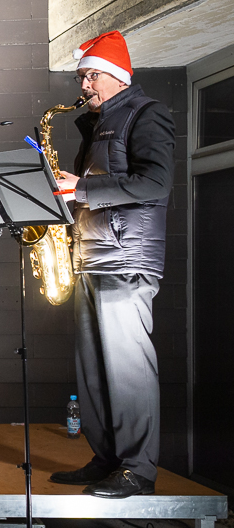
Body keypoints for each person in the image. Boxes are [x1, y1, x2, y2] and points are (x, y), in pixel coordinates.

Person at [50, 31, 174, 498]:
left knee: (128, 368)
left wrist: (79, 189)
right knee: (94, 369)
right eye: (82, 76)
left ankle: (138, 469)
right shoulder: (97, 124)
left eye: (91, 75)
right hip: (91, 256)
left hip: (127, 259)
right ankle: (107, 459)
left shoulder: (147, 114)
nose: (84, 84)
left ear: (117, 77)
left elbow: (156, 182)